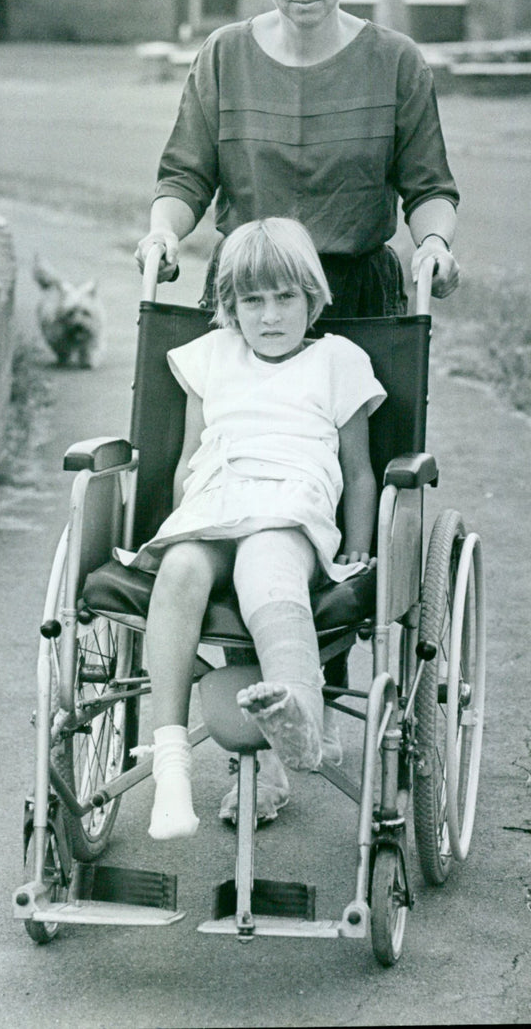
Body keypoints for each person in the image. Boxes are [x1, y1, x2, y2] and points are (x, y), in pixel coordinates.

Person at [134, 0, 459, 821]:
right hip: (248, 295)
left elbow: (427, 183)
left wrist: (434, 239)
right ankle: (263, 758)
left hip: (356, 301)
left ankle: (304, 701)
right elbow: (184, 173)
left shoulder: (397, 62)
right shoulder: (225, 56)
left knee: (328, 493)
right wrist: (162, 229)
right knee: (236, 481)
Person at [123, 219, 385, 841]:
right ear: (230, 308)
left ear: (312, 298)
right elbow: (191, 456)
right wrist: (186, 523)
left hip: (290, 504)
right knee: (185, 566)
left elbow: (360, 471)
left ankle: (298, 709)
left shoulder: (337, 361)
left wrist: (357, 546)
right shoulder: (211, 357)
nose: (270, 316)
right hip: (217, 499)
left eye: (285, 298)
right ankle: (173, 763)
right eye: (252, 301)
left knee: (265, 561)